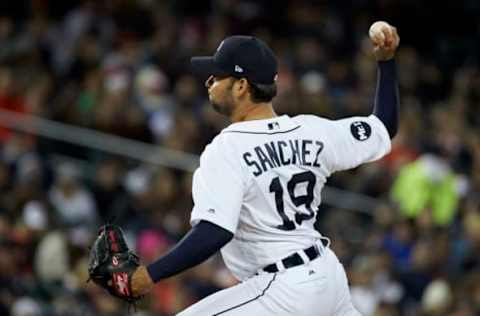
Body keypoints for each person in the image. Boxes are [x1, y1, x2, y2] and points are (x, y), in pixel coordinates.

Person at [130, 21, 400, 316]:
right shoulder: (311, 130)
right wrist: (386, 64)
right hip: (327, 277)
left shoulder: (226, 149)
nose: (209, 82)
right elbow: (384, 125)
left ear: (242, 85)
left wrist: (149, 275)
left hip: (282, 289)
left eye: (217, 76)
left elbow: (214, 232)